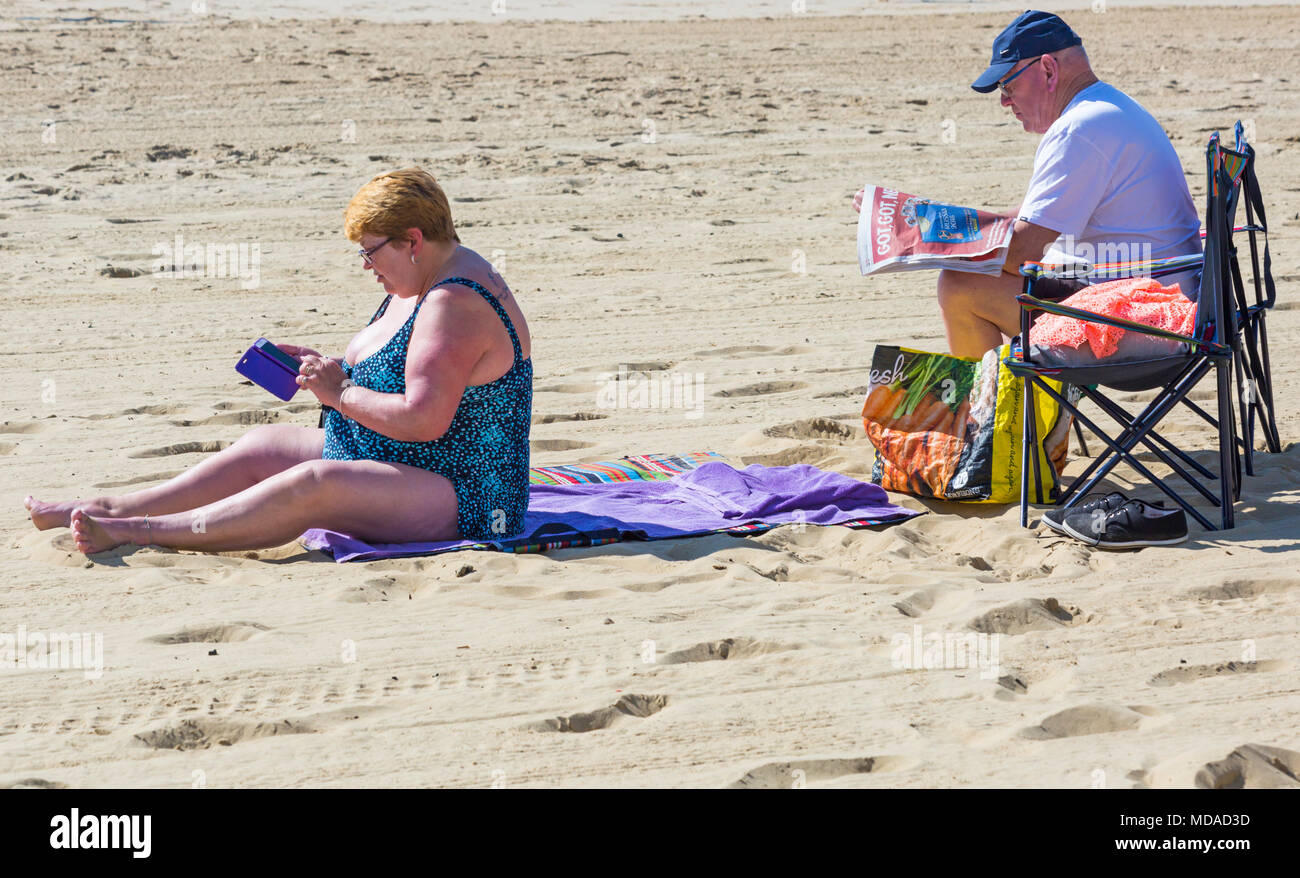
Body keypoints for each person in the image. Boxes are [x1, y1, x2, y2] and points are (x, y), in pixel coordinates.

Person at [25, 168, 533, 554]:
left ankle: (138, 532)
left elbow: (424, 419)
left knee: (314, 484)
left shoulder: (453, 303)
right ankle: (109, 508)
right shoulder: (424, 276)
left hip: (468, 493)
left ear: (413, 240)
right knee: (261, 446)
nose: (366, 266)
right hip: (411, 461)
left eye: (371, 252)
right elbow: (406, 365)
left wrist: (340, 394)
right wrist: (326, 368)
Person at [855, 10, 1202, 358]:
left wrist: (924, 234)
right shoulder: (1107, 109)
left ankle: (986, 411)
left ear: (1048, 69)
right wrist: (921, 217)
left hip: (1145, 316)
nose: (1004, 100)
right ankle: (1016, 408)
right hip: (1167, 294)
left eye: (1008, 85)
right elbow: (1029, 223)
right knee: (970, 273)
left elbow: (1023, 251)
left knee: (960, 285)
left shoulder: (1078, 129)